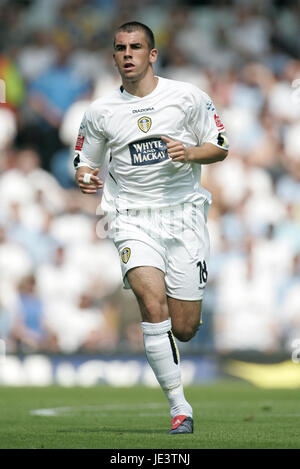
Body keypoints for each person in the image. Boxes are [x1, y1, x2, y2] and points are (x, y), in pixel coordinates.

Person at [73, 21, 229, 434]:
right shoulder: (100, 111)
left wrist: (191, 151)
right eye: (120, 48)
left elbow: (221, 146)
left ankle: (179, 359)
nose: (127, 54)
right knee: (150, 303)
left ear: (152, 54)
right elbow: (84, 160)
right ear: (113, 57)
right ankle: (180, 408)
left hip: (183, 217)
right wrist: (85, 176)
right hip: (130, 218)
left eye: (136, 47)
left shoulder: (188, 97)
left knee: (185, 326)